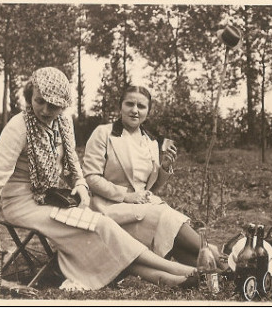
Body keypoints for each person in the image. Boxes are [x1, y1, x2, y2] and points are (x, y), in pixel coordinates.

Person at [0, 67, 197, 290]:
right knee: (100, 224)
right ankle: (178, 271)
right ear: (30, 96)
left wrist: (80, 185)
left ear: (63, 105)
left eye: (52, 105)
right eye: (39, 101)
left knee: (103, 229)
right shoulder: (19, 126)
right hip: (21, 204)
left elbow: (72, 167)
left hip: (50, 199)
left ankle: (169, 278)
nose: (44, 110)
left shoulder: (64, 123)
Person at [82, 86, 212, 266]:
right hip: (111, 206)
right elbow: (91, 177)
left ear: (148, 112)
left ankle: (219, 269)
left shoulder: (150, 142)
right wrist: (127, 196)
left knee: (172, 233)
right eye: (129, 104)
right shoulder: (103, 133)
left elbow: (151, 189)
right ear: (120, 107)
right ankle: (216, 253)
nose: (135, 110)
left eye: (141, 106)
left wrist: (164, 167)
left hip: (143, 207)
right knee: (165, 217)